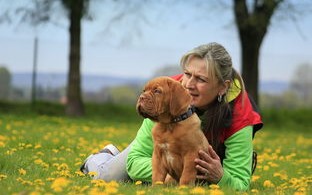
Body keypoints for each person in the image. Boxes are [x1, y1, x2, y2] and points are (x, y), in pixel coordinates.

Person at [80, 42, 263, 191]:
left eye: (201, 79)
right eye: (187, 74)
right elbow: (135, 161)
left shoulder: (241, 116)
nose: (188, 84)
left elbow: (240, 184)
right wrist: (177, 175)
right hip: (164, 159)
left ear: (223, 87)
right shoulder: (167, 92)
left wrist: (220, 177)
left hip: (188, 164)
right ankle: (101, 157)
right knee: (107, 177)